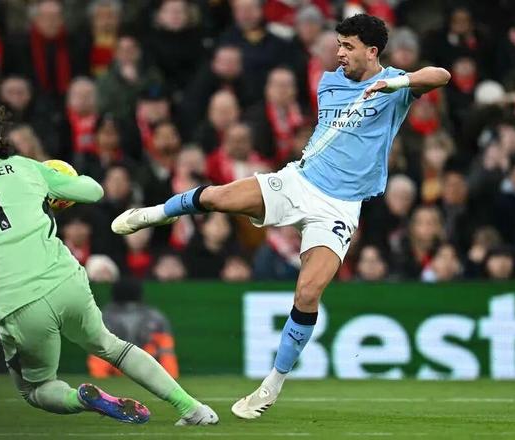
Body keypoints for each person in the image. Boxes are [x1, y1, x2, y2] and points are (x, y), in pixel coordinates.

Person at [111, 14, 450, 419]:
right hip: (299, 182)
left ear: (372, 51)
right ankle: (154, 214)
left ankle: (271, 385)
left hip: (340, 207)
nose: (339, 53)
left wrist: (394, 84)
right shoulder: (329, 83)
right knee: (217, 196)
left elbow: (441, 75)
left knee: (308, 294)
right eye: (338, 45)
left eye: (348, 46)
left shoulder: (396, 87)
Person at [0, 105, 218, 426]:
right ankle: (192, 408)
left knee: (35, 389)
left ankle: (81, 398)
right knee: (110, 346)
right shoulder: (25, 168)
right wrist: (57, 183)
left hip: (18, 305)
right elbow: (94, 191)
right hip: (65, 282)